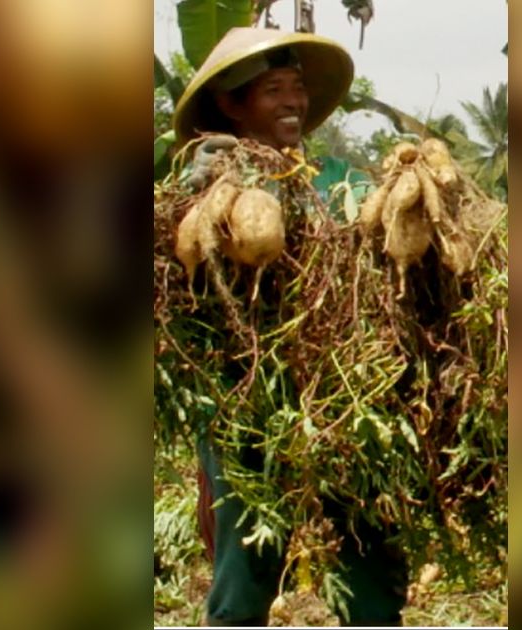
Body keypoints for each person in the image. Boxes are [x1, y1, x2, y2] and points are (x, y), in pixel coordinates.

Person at [170, 27, 409, 626]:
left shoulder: (339, 180)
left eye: (297, 88)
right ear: (231, 104)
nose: (292, 102)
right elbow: (185, 318)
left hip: (342, 399)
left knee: (368, 550)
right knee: (248, 560)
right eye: (273, 89)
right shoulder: (205, 186)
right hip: (244, 403)